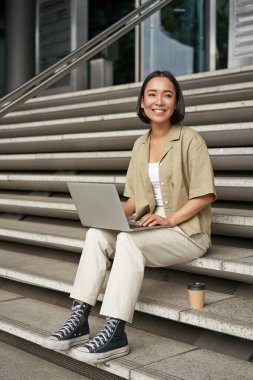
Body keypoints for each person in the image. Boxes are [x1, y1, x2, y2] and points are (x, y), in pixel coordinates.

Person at [43, 70, 216, 364]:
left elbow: (204, 195)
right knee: (97, 235)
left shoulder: (190, 140)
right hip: (149, 227)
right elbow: (135, 199)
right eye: (152, 94)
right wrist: (108, 216)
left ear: (176, 103)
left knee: (128, 242)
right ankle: (79, 319)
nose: (159, 101)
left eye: (167, 94)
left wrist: (169, 220)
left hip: (186, 232)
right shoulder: (140, 144)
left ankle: (115, 332)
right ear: (142, 102)